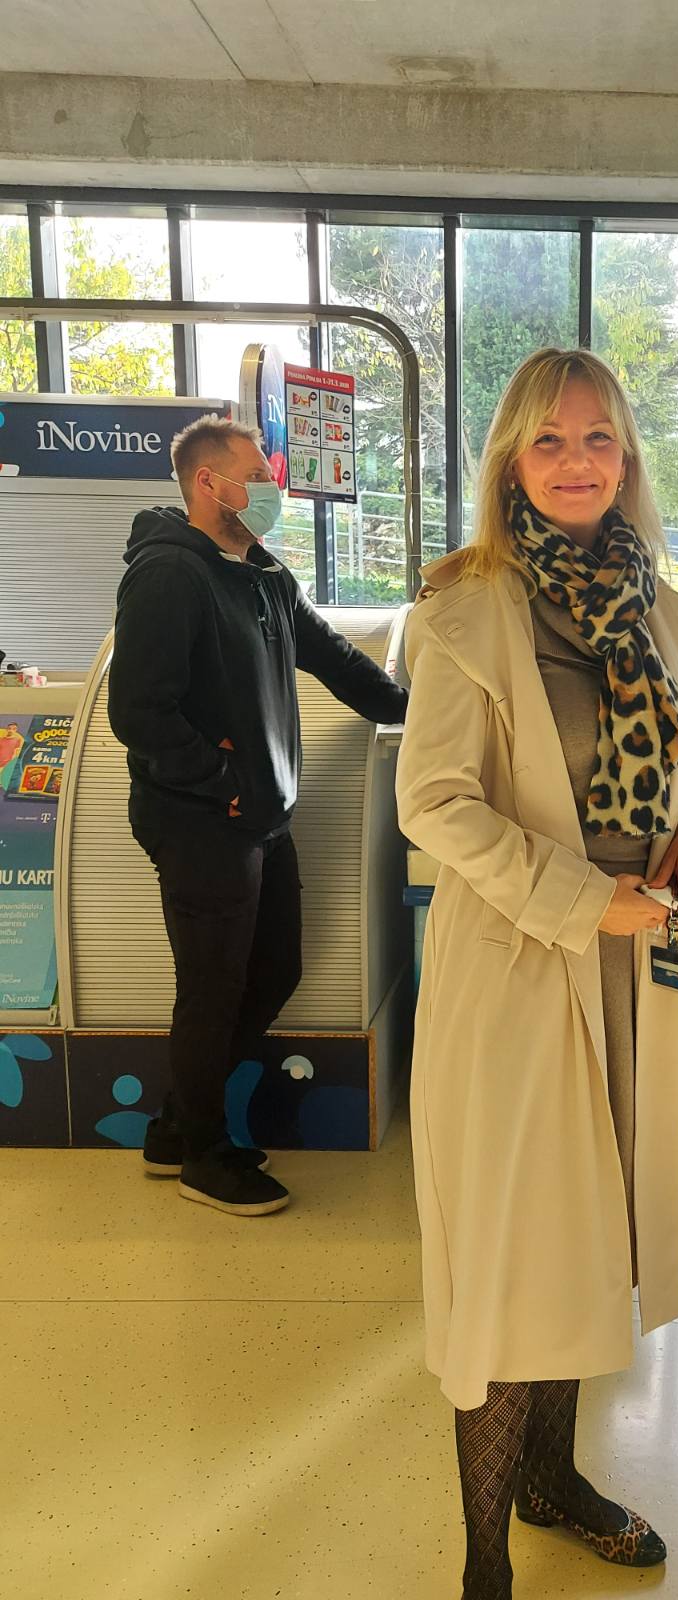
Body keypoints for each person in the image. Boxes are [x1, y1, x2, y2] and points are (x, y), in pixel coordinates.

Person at [395, 347, 678, 1599]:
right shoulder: (465, 611)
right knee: (511, 1257)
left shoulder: (659, 610)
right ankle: (484, 1561)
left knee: (593, 1240)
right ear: (510, 462)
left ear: (627, 459)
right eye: (549, 439)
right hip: (522, 972)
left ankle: (553, 1479)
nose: (576, 460)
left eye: (598, 438)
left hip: (635, 971)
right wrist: (588, 902)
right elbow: (434, 804)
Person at [108, 416, 408, 1218]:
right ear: (210, 484)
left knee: (274, 970)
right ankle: (205, 1157)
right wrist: (221, 782)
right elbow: (138, 712)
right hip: (201, 821)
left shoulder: (265, 574)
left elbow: (335, 660)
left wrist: (420, 713)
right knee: (212, 989)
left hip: (260, 817)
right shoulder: (169, 574)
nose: (273, 488)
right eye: (259, 475)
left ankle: (177, 1127)